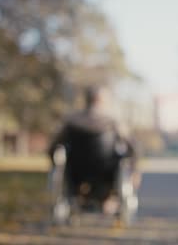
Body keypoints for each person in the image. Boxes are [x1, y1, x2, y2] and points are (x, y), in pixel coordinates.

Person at [48, 85, 140, 215]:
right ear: (103, 101)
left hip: (75, 172)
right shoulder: (113, 122)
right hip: (107, 173)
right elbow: (133, 147)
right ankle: (111, 202)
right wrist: (134, 170)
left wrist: (53, 162)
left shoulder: (71, 121)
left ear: (87, 100)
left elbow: (53, 146)